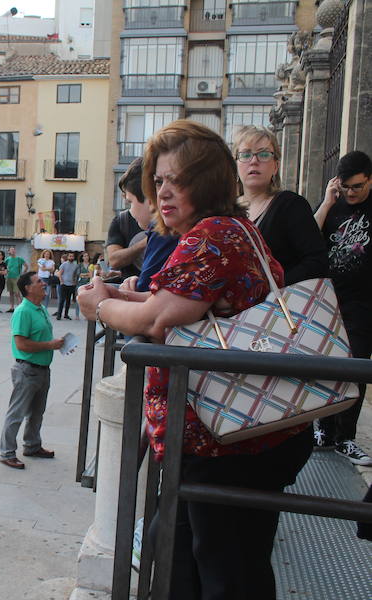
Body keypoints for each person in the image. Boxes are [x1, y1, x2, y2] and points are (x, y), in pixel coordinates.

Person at [78, 120, 312, 599]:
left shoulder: (213, 236)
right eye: (159, 181)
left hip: (231, 435)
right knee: (186, 558)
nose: (163, 192)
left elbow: (162, 319)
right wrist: (129, 297)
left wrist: (99, 306)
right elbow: (184, 305)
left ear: (205, 181)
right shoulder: (228, 230)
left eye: (176, 180)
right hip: (231, 431)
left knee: (227, 572)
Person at [313, 150, 372, 466]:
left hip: (363, 303)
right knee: (326, 365)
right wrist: (327, 201)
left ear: (370, 179)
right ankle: (322, 428)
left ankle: (345, 436)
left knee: (357, 367)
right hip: (328, 299)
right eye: (346, 186)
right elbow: (308, 236)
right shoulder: (332, 205)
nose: (351, 193)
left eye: (358, 187)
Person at [234, 126, 327, 286]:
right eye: (246, 154)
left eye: (263, 154)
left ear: (275, 166)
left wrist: (271, 287)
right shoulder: (224, 210)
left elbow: (317, 262)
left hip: (278, 306)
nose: (254, 161)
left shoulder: (291, 205)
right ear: (236, 165)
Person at [0, 271, 64, 469]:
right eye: (39, 282)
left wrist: (58, 344)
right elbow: (21, 344)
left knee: (37, 412)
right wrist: (49, 346)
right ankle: (7, 453)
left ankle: (32, 445)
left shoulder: (40, 309)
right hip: (27, 370)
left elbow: (40, 337)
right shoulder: (23, 311)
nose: (44, 283)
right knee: (16, 413)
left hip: (42, 369)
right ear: (28, 288)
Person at [112, 159, 180, 294]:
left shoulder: (162, 230)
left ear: (149, 199)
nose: (130, 211)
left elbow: (146, 291)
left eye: (130, 202)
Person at [105, 190, 146, 282]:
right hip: (131, 287)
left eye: (130, 200)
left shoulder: (170, 222)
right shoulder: (122, 220)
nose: (123, 197)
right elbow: (114, 260)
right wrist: (146, 241)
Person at [56, 253, 80, 320]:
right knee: (62, 300)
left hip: (71, 285)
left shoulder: (76, 265)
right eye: (70, 256)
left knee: (68, 301)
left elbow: (76, 274)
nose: (71, 257)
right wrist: (61, 281)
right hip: (64, 284)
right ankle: (59, 315)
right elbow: (60, 273)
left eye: (72, 256)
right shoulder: (64, 264)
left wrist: (75, 282)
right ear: (68, 257)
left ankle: (66, 314)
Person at [5, 246, 27, 313]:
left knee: (17, 293)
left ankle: (20, 307)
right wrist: (5, 272)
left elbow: (26, 266)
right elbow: (4, 267)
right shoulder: (7, 259)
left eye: (13, 250)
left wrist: (22, 274)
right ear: (9, 252)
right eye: (11, 250)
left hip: (16, 278)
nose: (13, 251)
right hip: (9, 277)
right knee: (11, 293)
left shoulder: (19, 259)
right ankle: (12, 307)